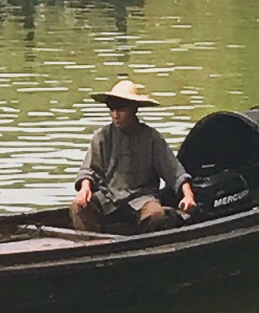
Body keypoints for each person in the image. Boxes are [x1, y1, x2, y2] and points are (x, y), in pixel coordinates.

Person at [71, 79, 197, 233]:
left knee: (156, 215)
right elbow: (88, 170)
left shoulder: (152, 138)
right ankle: (92, 245)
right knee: (78, 207)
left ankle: (143, 244)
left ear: (134, 109)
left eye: (121, 110)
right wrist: (84, 189)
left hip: (142, 198)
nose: (115, 115)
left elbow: (175, 172)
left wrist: (188, 196)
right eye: (112, 109)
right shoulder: (103, 137)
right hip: (109, 198)